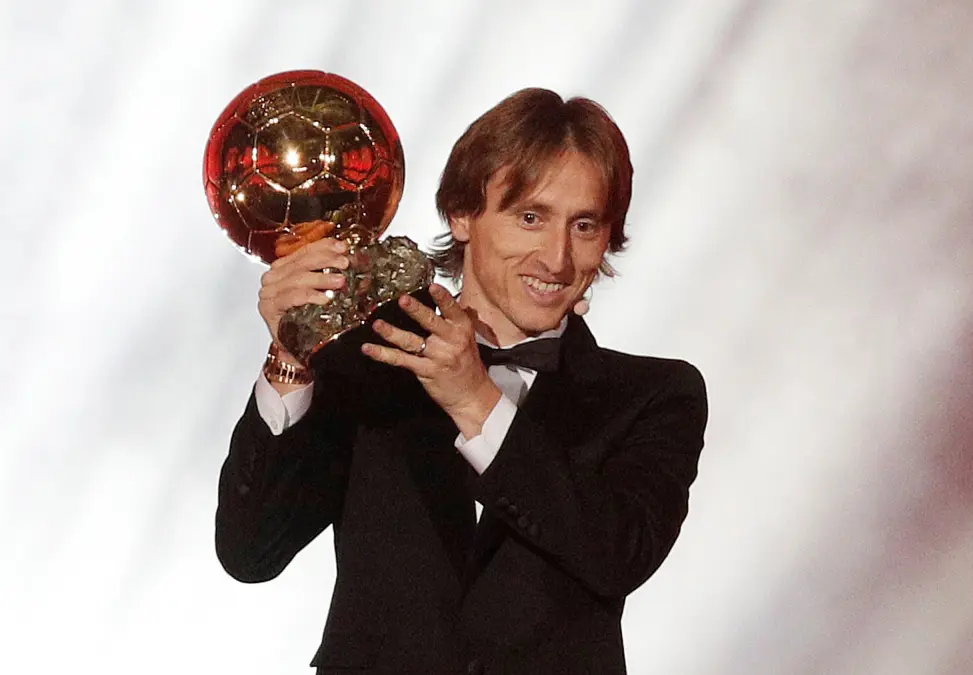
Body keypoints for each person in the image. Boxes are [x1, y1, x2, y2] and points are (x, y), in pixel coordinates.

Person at [215, 87, 708, 675]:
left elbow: (618, 556)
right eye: (530, 217)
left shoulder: (654, 395)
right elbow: (251, 552)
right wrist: (290, 357)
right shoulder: (372, 361)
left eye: (584, 225)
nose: (556, 258)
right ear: (462, 215)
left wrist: (476, 399)